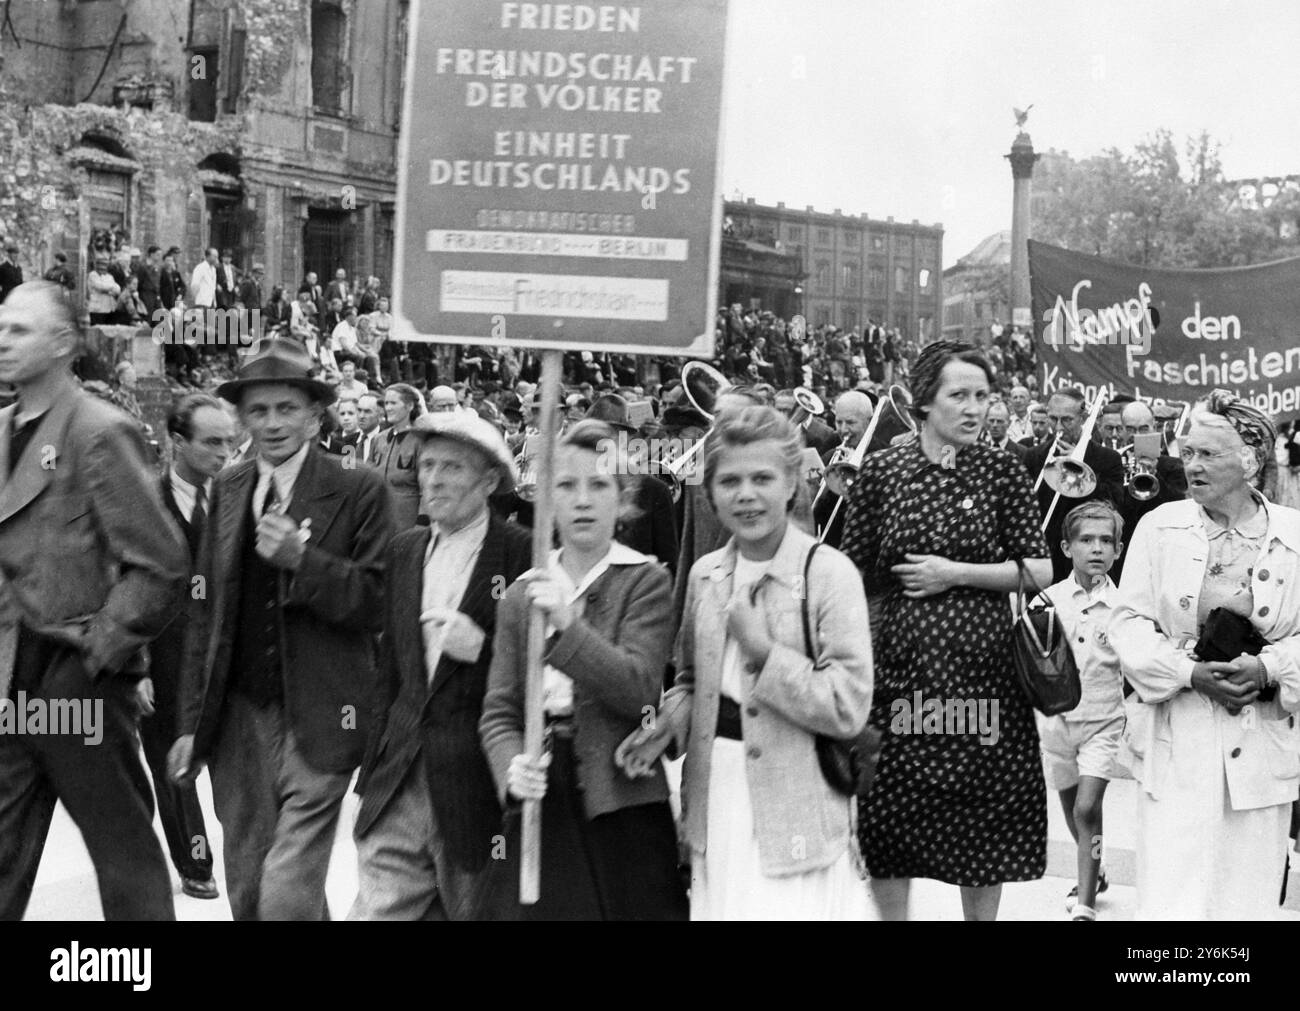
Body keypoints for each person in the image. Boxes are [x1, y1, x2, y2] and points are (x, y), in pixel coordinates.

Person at [168, 338, 394, 920]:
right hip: (240, 718)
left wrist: (304, 560)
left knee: (286, 887)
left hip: (325, 713)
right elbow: (206, 613)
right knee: (247, 884)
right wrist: (193, 724)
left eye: (287, 408)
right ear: (242, 416)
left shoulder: (360, 486)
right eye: (259, 410)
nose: (272, 424)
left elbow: (380, 602)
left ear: (316, 415)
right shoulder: (228, 487)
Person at [620, 406, 873, 920]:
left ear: (790, 485)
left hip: (797, 812)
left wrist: (764, 653)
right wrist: (666, 723)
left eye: (762, 478)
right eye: (730, 481)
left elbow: (848, 706)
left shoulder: (829, 573)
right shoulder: (706, 575)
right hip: (717, 809)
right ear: (710, 493)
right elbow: (692, 680)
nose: (746, 494)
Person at [840, 340, 1053, 921]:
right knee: (892, 817)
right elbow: (850, 574)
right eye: (959, 395)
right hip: (900, 679)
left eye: (983, 396)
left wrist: (952, 573)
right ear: (923, 403)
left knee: (987, 818)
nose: (974, 408)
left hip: (987, 681)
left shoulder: (1002, 471)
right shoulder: (884, 471)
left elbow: (1038, 570)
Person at [0, 281, 187, 920]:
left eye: (20, 329)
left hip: (75, 678)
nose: (2, 339)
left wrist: (96, 657)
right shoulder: (0, 432)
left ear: (63, 344)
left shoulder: (99, 430)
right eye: (1, 325)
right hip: (8, 680)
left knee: (122, 853)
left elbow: (161, 565)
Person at [479, 420, 687, 920]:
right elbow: (499, 711)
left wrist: (566, 629)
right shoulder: (523, 592)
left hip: (624, 802)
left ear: (623, 500)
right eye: (566, 486)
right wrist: (511, 766)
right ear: (546, 499)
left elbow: (639, 691)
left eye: (599, 485)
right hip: (543, 799)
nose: (583, 500)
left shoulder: (645, 581)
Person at [1109, 390, 1300, 921]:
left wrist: (1268, 667)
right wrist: (1189, 672)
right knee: (1173, 899)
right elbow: (1126, 624)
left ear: (1251, 460)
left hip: (1264, 744)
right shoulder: (1160, 527)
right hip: (1175, 741)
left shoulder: (1295, 535)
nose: (1191, 464)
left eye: (1208, 454)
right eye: (1188, 451)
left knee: (1246, 901)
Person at [352, 413, 530, 920]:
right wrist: (371, 775)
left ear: (490, 481)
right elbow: (389, 672)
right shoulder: (404, 549)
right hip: (399, 782)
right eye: (427, 465)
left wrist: (486, 647)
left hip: (476, 791)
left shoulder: (522, 554)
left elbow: (547, 676)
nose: (433, 479)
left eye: (452, 467)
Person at [147, 393, 234, 901]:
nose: (224, 453)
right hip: (162, 655)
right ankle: (195, 860)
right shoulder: (144, 498)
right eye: (212, 442)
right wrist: (135, 668)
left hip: (224, 654)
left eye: (228, 442)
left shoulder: (240, 495)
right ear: (178, 442)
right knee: (172, 764)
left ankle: (246, 849)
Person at [1040, 501, 1126, 921]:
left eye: (1106, 541)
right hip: (1056, 725)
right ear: (1066, 547)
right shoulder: (1048, 601)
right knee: (1073, 809)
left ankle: (1086, 905)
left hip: (1104, 723)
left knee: (1087, 809)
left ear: (1119, 550)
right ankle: (1095, 865)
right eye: (1086, 540)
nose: (1096, 549)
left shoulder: (1126, 607)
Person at [1023, 388, 1124, 583]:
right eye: (1053, 419)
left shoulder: (1108, 458)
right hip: (1046, 556)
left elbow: (1114, 504)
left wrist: (1082, 465)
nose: (1058, 427)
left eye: (1067, 420)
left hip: (1087, 558)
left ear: (1083, 418)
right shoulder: (1034, 456)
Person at [1114, 399, 1187, 583]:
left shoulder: (1173, 465)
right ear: (1121, 430)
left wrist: (1155, 475)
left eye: (1143, 428)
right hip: (1126, 547)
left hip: (1161, 548)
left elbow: (1178, 507)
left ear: (1154, 427)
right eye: (1130, 429)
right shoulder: (1114, 462)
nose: (1137, 435)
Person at [813, 390, 874, 548]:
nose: (843, 429)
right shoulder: (830, 455)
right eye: (839, 422)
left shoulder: (882, 456)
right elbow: (817, 511)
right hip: (831, 545)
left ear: (870, 422)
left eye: (850, 422)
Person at [374, 382, 424, 529]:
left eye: (393, 403)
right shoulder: (379, 439)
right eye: (386, 403)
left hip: (407, 518)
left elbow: (426, 487)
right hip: (379, 516)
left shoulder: (419, 440)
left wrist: (422, 521)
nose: (388, 408)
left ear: (409, 406)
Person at [86, 256, 121, 325]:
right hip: (97, 309)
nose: (103, 267)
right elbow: (101, 287)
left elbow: (118, 289)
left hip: (109, 308)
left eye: (105, 265)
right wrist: (111, 287)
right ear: (97, 265)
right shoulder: (92, 275)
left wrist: (108, 288)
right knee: (96, 329)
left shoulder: (109, 276)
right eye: (101, 265)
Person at [357, 391, 384, 464]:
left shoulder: (388, 441)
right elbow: (346, 471)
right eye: (359, 410)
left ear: (380, 415)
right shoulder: (347, 442)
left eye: (367, 411)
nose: (361, 416)